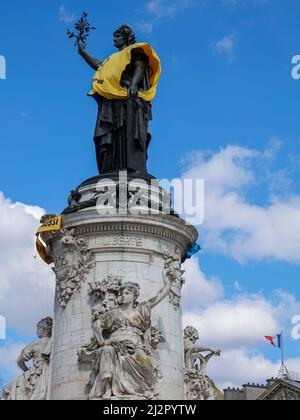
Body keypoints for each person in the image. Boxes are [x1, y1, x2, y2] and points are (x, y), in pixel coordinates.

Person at [78, 24, 161, 175]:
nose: (114, 40)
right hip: (111, 101)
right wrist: (83, 53)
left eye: (117, 36)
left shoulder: (135, 51)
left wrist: (134, 84)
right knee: (111, 134)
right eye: (114, 37)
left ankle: (132, 167)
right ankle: (111, 167)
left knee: (128, 133)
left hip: (128, 98)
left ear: (127, 37)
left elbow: (140, 67)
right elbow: (99, 65)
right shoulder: (112, 59)